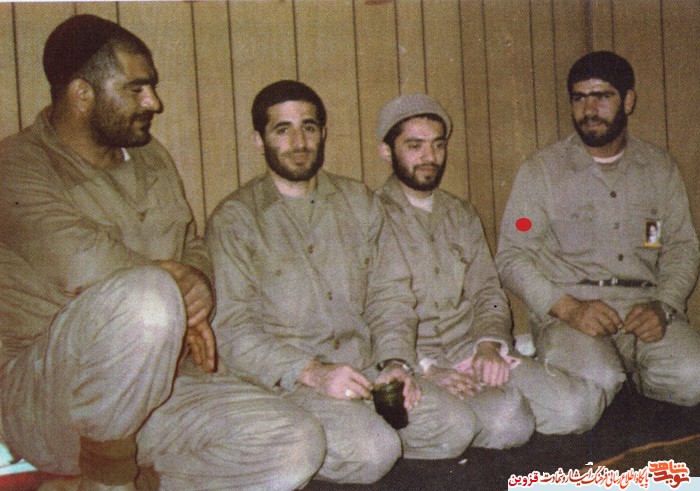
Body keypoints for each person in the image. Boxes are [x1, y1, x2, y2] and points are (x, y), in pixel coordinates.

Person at [0, 15, 321, 490]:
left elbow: (191, 243)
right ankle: (108, 480)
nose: (154, 102)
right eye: (136, 89)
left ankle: (125, 479)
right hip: (52, 404)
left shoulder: (151, 156)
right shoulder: (15, 164)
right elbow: (82, 263)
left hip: (163, 388)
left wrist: (199, 285)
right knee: (148, 297)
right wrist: (174, 299)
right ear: (82, 93)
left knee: (298, 444)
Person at [206, 80, 476, 484]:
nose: (299, 142)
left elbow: (390, 296)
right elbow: (233, 330)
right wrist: (312, 372)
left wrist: (395, 363)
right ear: (258, 140)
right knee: (374, 451)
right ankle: (300, 448)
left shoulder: (358, 202)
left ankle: (351, 441)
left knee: (457, 426)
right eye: (283, 130)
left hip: (365, 369)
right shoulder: (236, 219)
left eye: (309, 127)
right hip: (289, 381)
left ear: (323, 133)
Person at [375, 94, 604, 449]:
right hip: (416, 362)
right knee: (508, 421)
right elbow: (374, 310)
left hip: (472, 349)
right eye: (415, 146)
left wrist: (488, 345)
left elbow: (489, 292)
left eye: (438, 145)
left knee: (580, 406)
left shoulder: (460, 214)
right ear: (387, 152)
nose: (430, 157)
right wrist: (424, 369)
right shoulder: (369, 217)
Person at [496, 51, 700, 409]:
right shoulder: (541, 172)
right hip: (571, 315)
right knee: (596, 381)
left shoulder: (658, 169)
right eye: (579, 98)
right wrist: (568, 308)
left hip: (643, 310)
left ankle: (637, 381)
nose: (589, 109)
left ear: (628, 100)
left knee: (694, 376)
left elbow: (681, 247)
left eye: (602, 96)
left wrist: (664, 305)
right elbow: (512, 255)